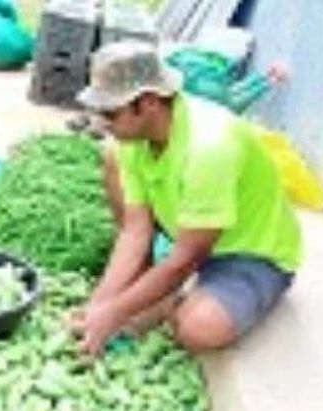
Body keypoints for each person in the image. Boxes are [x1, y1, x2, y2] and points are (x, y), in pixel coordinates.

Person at [72, 41, 302, 356]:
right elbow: (135, 231)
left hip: (247, 252)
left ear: (148, 103)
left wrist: (115, 313)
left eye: (110, 113)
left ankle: (173, 297)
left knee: (198, 329)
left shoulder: (210, 147)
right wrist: (98, 305)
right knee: (111, 155)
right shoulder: (134, 138)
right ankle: (157, 287)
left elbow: (185, 259)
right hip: (189, 229)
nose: (102, 123)